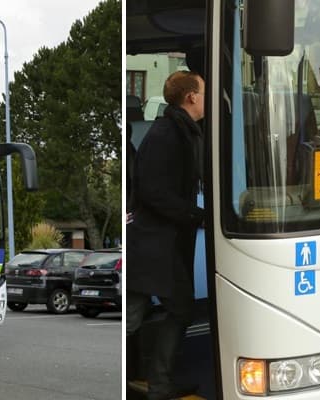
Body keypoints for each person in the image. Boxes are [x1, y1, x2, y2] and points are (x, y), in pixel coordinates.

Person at [126, 70, 205, 400]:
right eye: (204, 92)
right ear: (191, 97)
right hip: (155, 243)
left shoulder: (179, 129)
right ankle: (153, 383)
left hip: (161, 243)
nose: (207, 98)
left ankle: (157, 384)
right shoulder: (168, 133)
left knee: (170, 310)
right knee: (138, 314)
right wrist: (196, 215)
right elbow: (153, 192)